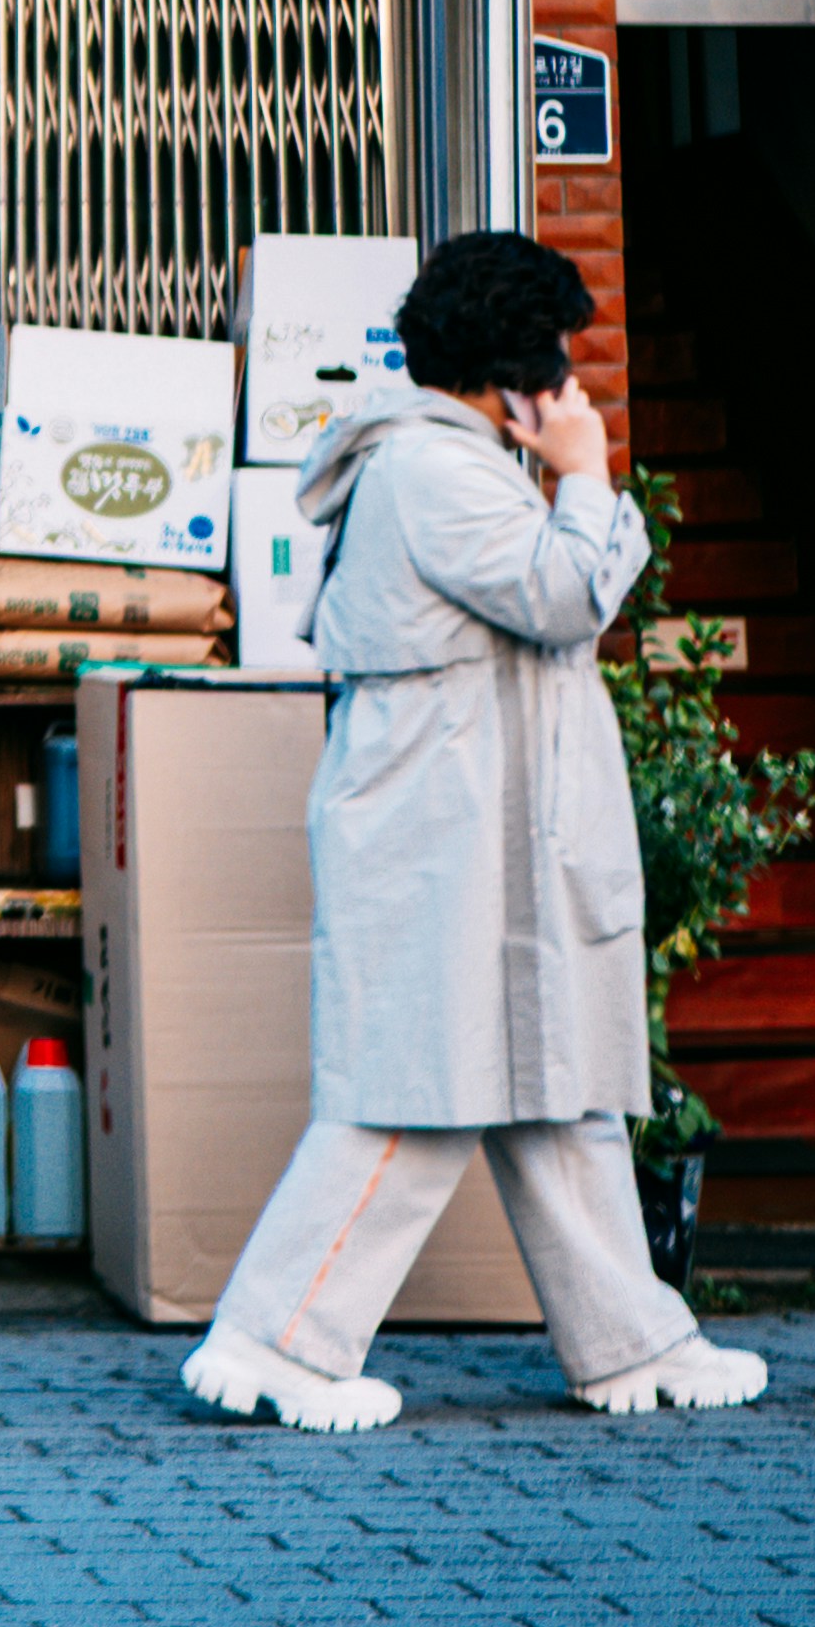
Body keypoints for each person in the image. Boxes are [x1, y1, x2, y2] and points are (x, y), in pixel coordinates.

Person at [183, 226, 766, 1431]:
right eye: (555, 356)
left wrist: (570, 483)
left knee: (560, 1094)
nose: (569, 383)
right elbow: (566, 595)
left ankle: (633, 1342)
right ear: (510, 372)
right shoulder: (433, 468)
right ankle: (277, 1341)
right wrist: (588, 472)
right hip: (448, 840)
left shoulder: (450, 460)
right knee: (413, 1094)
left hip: (483, 836)